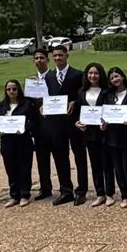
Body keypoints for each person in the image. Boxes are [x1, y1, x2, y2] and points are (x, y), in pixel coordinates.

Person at [43, 45, 87, 206]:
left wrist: (75, 102)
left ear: (66, 56)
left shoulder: (78, 75)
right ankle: (65, 190)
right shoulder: (49, 77)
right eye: (54, 56)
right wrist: (43, 105)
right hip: (56, 122)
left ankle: (81, 190)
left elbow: (82, 95)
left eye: (60, 55)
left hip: (74, 121)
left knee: (79, 156)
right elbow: (47, 96)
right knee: (60, 157)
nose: (57, 58)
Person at [0, 80, 37, 208]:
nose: (11, 92)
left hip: (23, 141)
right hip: (7, 142)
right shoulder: (1, 105)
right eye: (8, 89)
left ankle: (25, 195)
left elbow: (34, 121)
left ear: (18, 90)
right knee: (11, 170)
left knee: (24, 169)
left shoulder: (27, 104)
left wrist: (25, 129)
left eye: (14, 89)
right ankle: (14, 195)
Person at [76, 63, 112, 207]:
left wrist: (107, 122)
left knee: (107, 165)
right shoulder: (81, 91)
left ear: (100, 75)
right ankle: (100, 193)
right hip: (89, 133)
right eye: (90, 73)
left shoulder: (107, 91)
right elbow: (79, 111)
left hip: (104, 131)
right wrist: (78, 123)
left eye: (96, 73)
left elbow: (111, 110)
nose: (93, 76)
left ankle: (110, 193)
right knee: (95, 165)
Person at [102, 67, 127, 208]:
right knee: (117, 168)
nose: (115, 80)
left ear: (123, 77)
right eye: (112, 78)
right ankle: (124, 195)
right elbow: (103, 112)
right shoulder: (108, 94)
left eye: (117, 76)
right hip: (111, 136)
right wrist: (103, 122)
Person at [30, 48, 54, 201]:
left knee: (60, 157)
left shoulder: (54, 77)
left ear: (47, 60)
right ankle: (45, 187)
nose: (39, 60)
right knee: (42, 159)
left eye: (42, 58)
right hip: (39, 125)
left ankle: (66, 187)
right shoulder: (31, 81)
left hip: (55, 124)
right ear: (33, 61)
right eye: (36, 58)